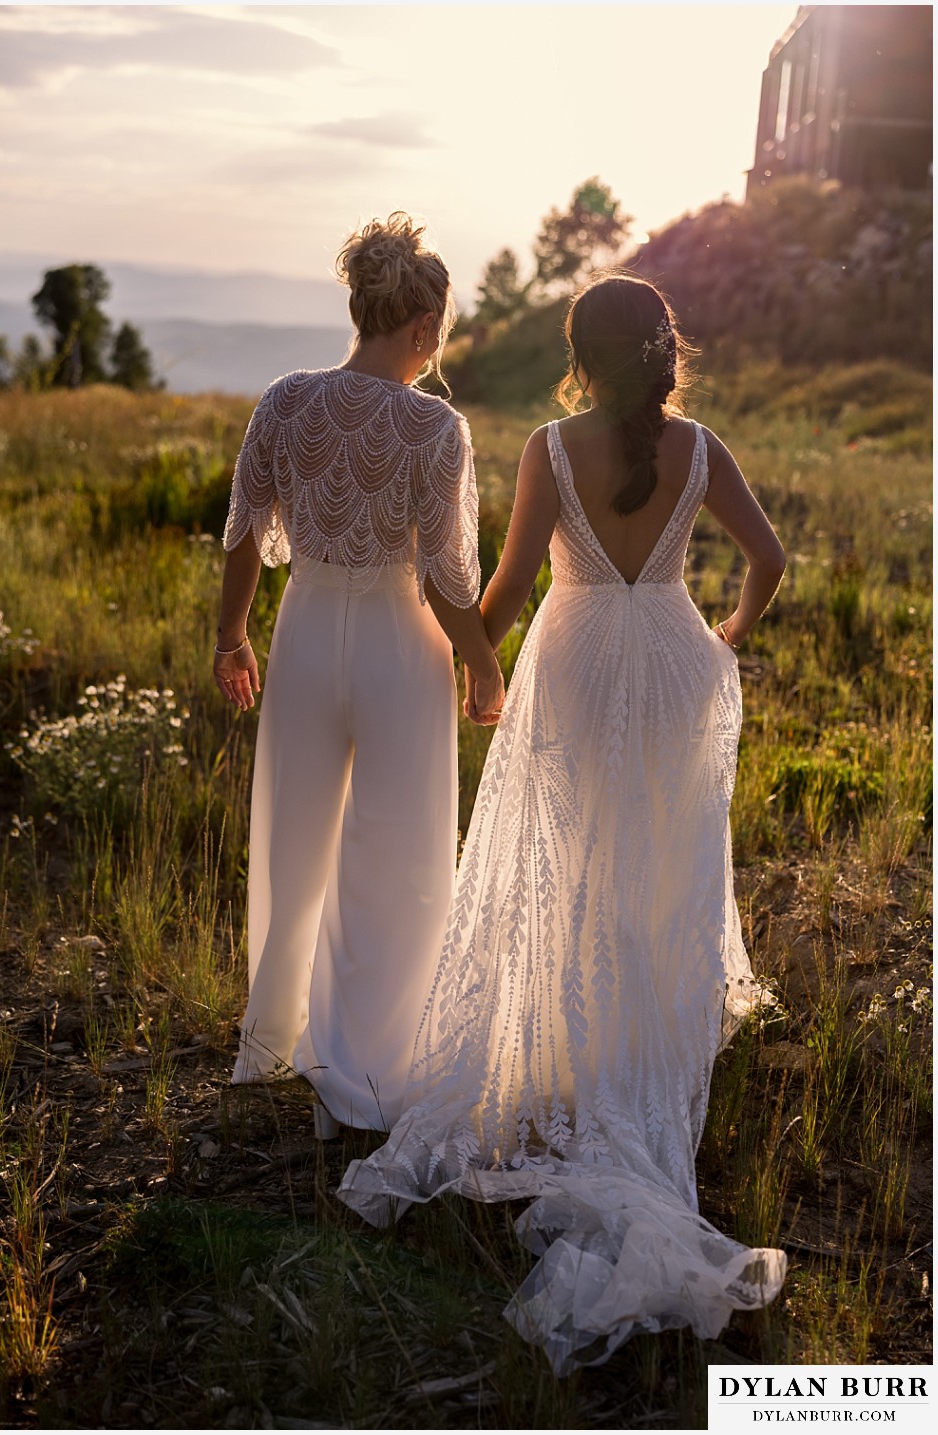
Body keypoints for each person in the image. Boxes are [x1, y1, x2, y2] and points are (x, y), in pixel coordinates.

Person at [338, 273, 788, 1372]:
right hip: (676, 661)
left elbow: (506, 581)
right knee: (658, 868)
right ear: (664, 348)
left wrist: (456, 648)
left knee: (566, 862)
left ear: (580, 350)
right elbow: (769, 562)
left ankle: (569, 1048)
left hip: (580, 662)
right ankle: (640, 1041)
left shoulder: (548, 445)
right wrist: (719, 636)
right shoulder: (703, 448)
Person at [214, 212, 503, 1135]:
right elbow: (449, 577)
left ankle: (274, 1039)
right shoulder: (433, 426)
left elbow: (244, 532)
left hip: (301, 630)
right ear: (423, 328)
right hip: (394, 640)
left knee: (294, 836)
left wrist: (232, 637)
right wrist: (484, 657)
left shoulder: (285, 398)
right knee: (398, 850)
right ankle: (373, 1066)